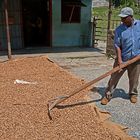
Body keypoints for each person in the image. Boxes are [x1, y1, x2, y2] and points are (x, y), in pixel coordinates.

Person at [101, 7, 140, 105]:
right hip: (123, 57)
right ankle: (107, 95)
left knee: (134, 78)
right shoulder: (119, 29)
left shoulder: (139, 25)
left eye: (124, 18)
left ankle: (133, 94)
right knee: (114, 77)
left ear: (131, 17)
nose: (121, 20)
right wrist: (120, 61)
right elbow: (117, 46)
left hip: (136, 58)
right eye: (121, 18)